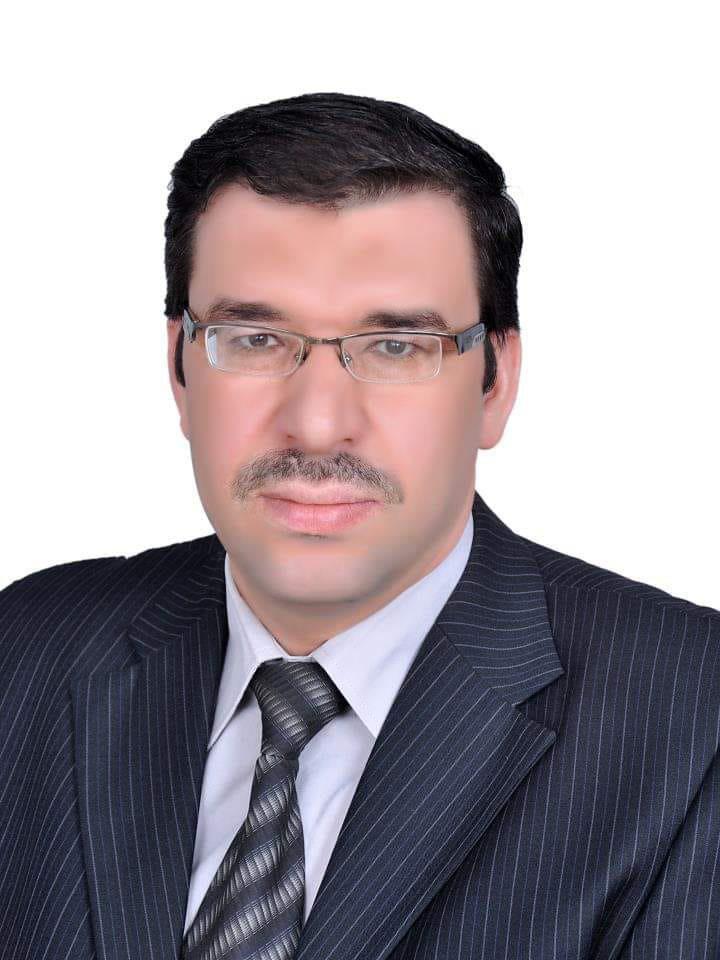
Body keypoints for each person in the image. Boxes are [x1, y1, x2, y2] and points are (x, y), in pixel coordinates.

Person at [1, 92, 718, 960]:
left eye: (396, 347)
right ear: (180, 370)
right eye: (255, 338)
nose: (316, 425)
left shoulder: (694, 720)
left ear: (495, 383)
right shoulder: (25, 650)